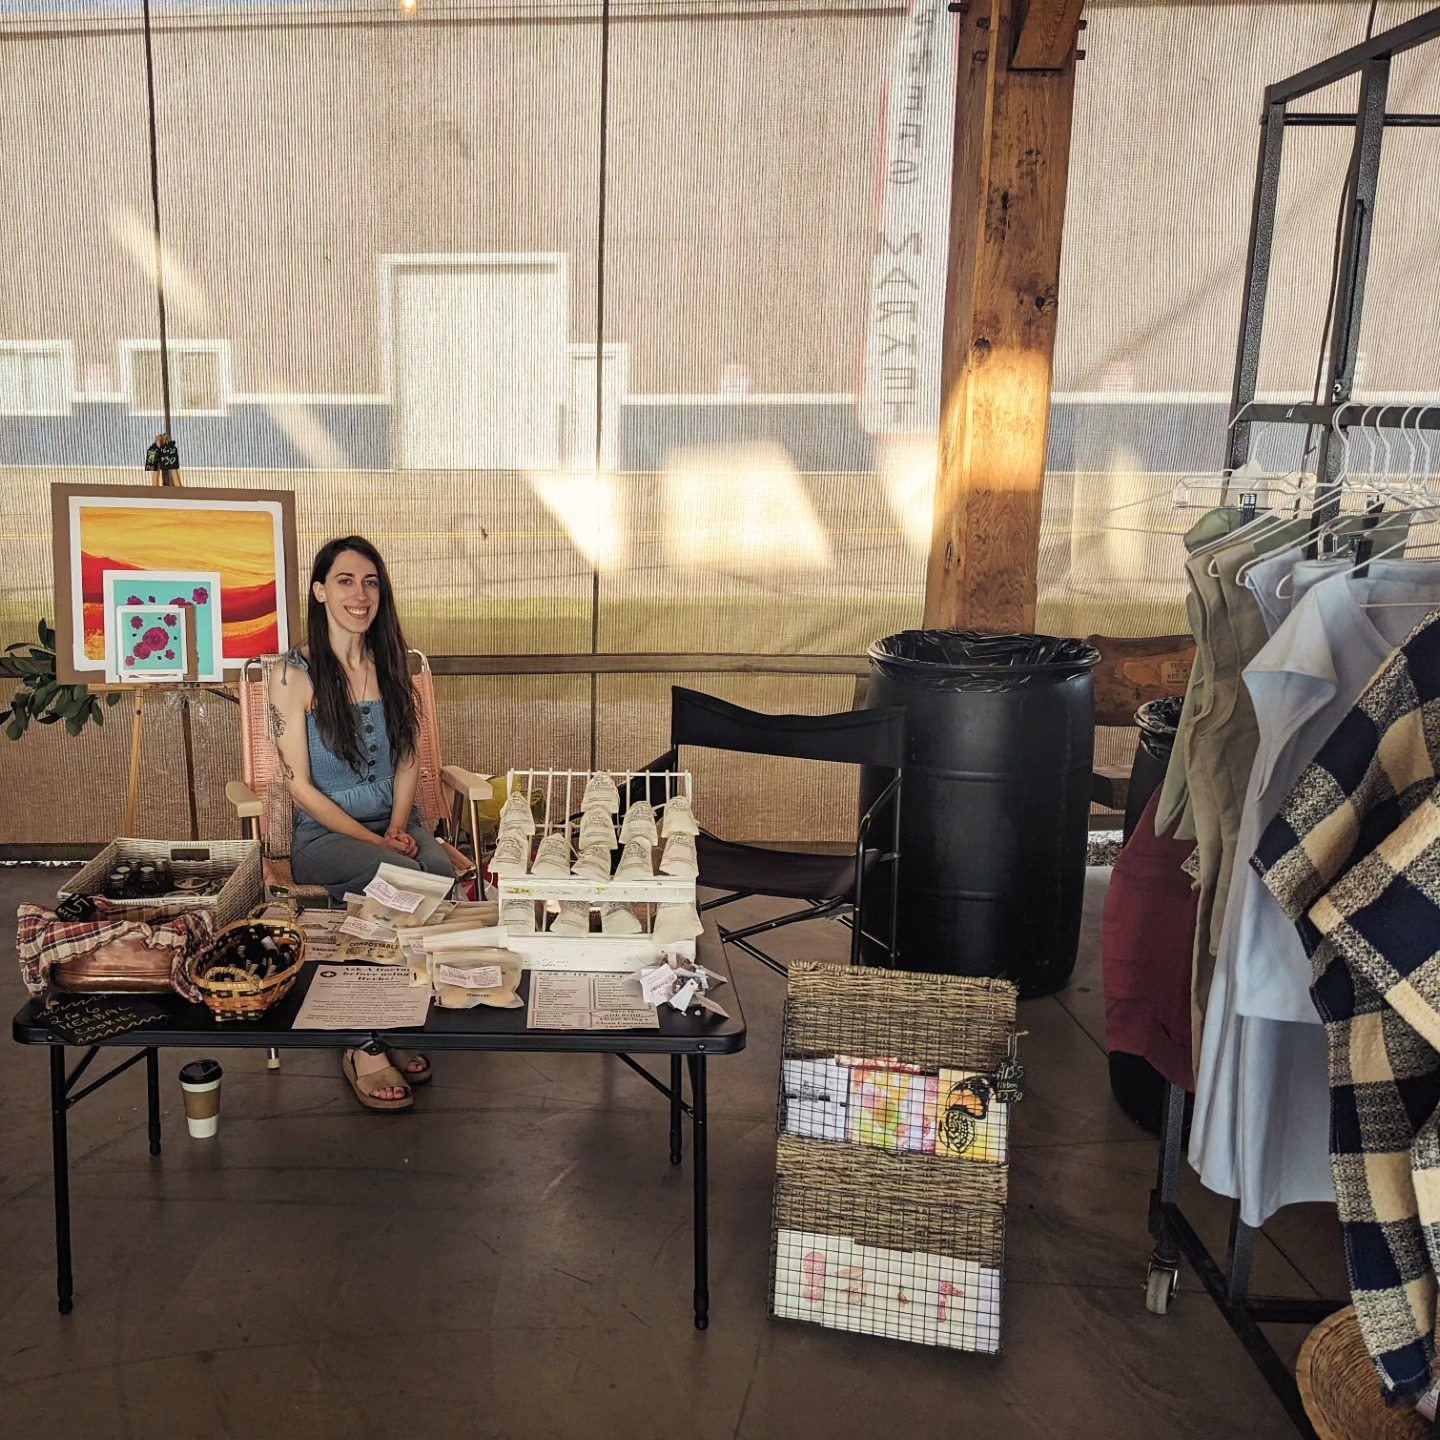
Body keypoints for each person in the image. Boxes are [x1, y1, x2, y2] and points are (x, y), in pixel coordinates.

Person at [270, 535, 450, 1110]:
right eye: (345, 581)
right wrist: (378, 842)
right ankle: (362, 1042)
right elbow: (298, 786)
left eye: (371, 582)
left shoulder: (391, 661)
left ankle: (392, 1016)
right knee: (399, 879)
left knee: (439, 872)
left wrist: (397, 827)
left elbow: (408, 757)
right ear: (320, 591)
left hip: (394, 822)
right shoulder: (293, 674)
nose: (360, 594)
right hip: (326, 834)